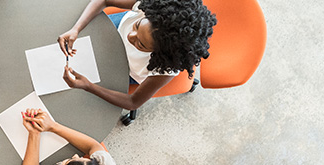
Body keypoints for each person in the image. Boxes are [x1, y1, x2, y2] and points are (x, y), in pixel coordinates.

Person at [59, 0, 217, 111]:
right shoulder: (150, 8)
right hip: (112, 29)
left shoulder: (165, 69)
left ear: (159, 54)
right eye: (137, 25)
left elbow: (133, 102)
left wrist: (89, 86)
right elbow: (105, 0)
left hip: (125, 69)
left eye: (141, 44)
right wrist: (76, 29)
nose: (130, 36)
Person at [15, 109, 118, 165]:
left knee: (18, 164)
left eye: (70, 161)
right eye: (87, 160)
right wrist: (53, 126)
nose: (76, 156)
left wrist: (34, 133)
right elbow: (94, 146)